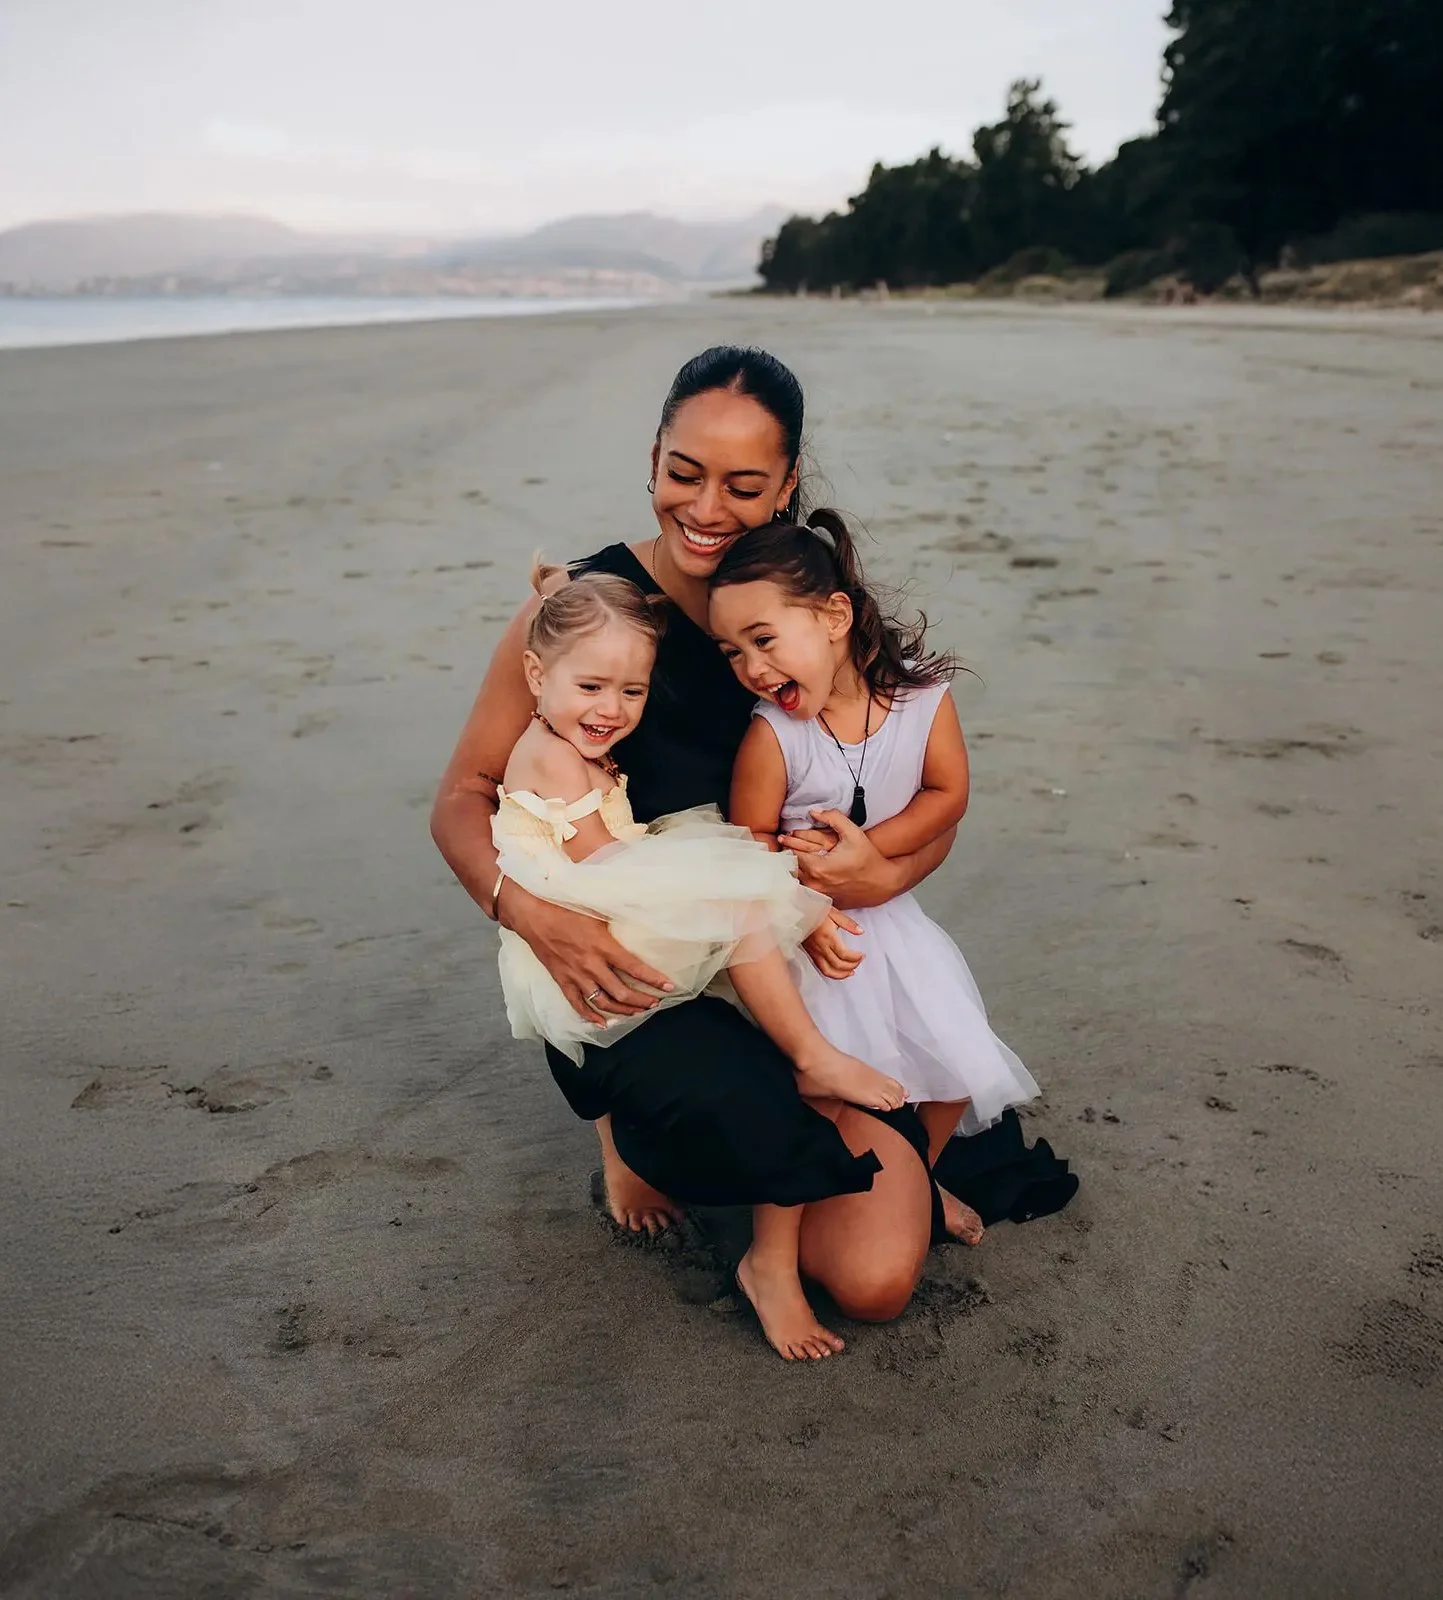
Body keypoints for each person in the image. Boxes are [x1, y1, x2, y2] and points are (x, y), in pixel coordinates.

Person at [431, 345, 954, 1358]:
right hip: (638, 967)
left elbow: (914, 794)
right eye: (684, 472)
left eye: (745, 485)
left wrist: (882, 872)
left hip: (788, 960)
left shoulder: (804, 609)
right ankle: (625, 1126)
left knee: (878, 1279)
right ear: (653, 459)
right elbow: (462, 797)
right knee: (727, 1114)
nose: (706, 505)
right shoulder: (583, 612)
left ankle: (782, 1114)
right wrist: (532, 913)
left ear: (788, 487)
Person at [494, 563, 909, 1356]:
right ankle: (809, 1056)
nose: (610, 711)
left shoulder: (567, 740)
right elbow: (604, 875)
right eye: (591, 687)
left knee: (746, 907)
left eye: (631, 693)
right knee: (747, 905)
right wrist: (731, 884)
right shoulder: (545, 757)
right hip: (587, 930)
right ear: (536, 675)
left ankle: (794, 1085)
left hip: (604, 906)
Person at [709, 514, 1042, 1244]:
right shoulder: (772, 735)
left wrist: (871, 857)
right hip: (816, 942)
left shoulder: (922, 701)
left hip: (893, 922)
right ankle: (780, 1241)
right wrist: (809, 894)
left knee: (956, 1068)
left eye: (763, 641)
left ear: (833, 616)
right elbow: (749, 844)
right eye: (731, 653)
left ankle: (920, 1175)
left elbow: (946, 794)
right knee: (819, 1095)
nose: (752, 670)